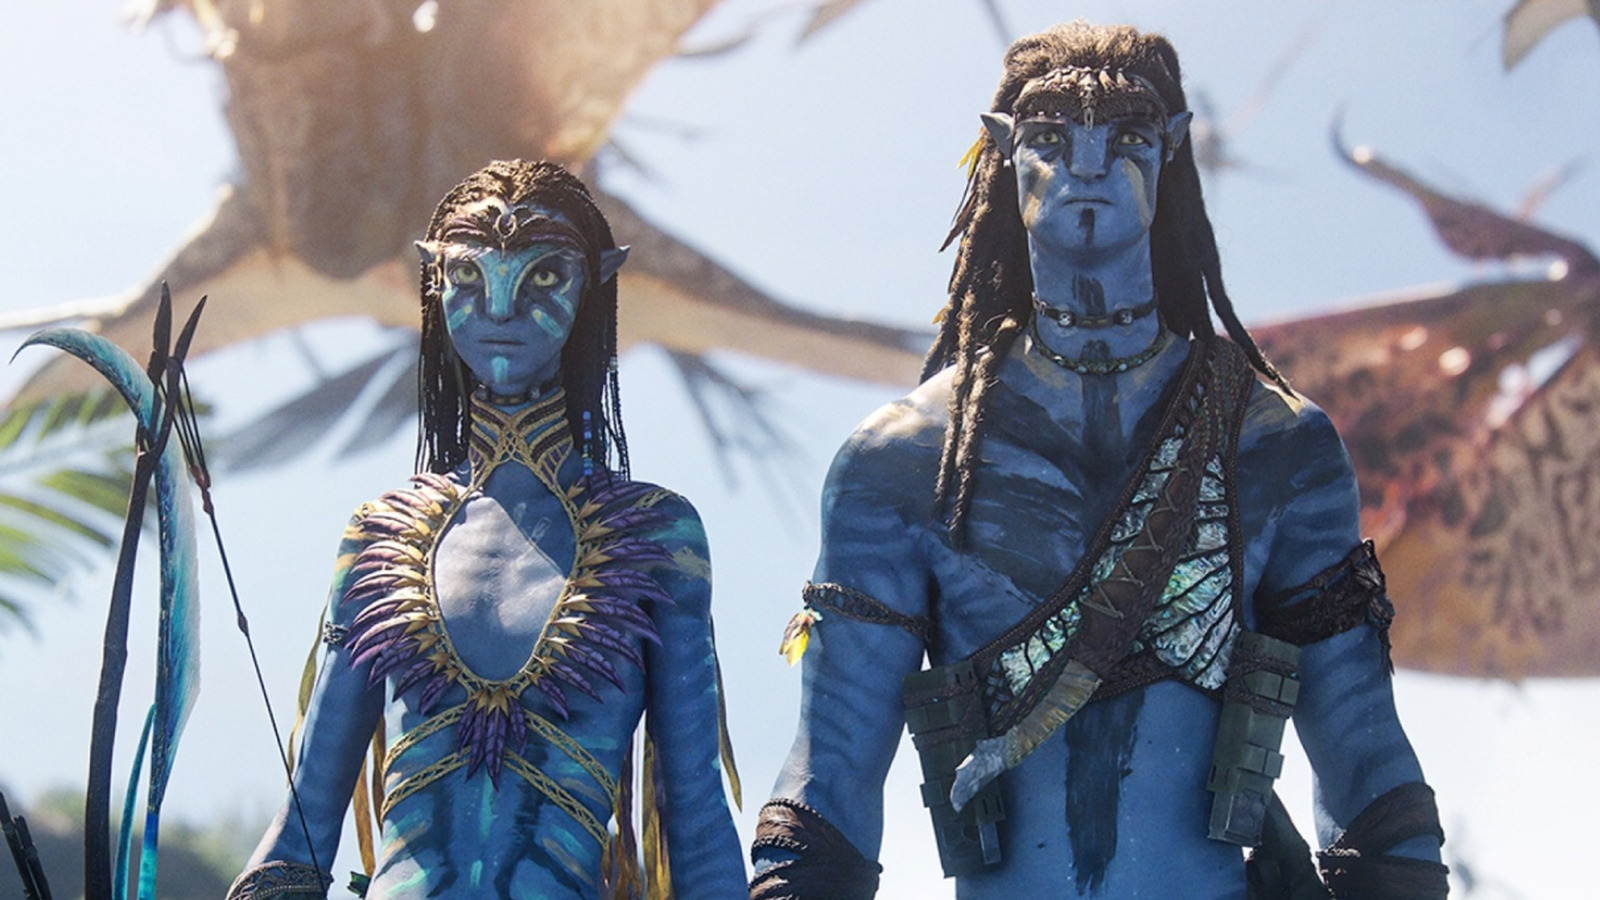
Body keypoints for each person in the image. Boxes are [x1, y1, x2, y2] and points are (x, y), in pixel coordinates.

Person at [751, 22, 1448, 900]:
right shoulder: (901, 462)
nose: (1087, 166)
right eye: (1050, 137)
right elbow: (827, 786)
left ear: (1171, 149)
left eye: (1125, 138)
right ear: (1004, 152)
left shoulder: (1276, 446)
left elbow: (1368, 765)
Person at [227, 160, 746, 900]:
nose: (500, 308)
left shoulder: (659, 537)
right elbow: (302, 829)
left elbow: (696, 818)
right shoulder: (380, 538)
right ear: (435, 286)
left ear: (594, 284)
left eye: (543, 277)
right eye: (469, 276)